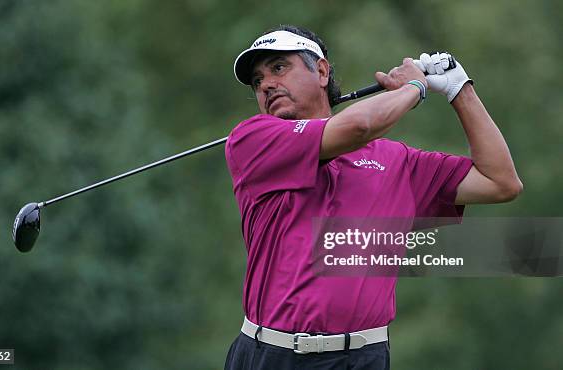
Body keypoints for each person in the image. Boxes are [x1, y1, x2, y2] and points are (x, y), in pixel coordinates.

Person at [223, 25, 522, 370]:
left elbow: (500, 181)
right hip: (272, 355)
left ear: (321, 71)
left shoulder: (397, 161)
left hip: (364, 358)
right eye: (257, 81)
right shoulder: (252, 139)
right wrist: (416, 85)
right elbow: (358, 126)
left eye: (278, 68)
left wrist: (459, 89)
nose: (266, 85)